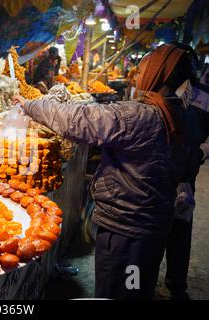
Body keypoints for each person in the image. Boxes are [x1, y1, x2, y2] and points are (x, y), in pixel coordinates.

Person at [13, 44, 192, 299]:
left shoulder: (142, 116)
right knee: (137, 286)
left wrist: (31, 106)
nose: (136, 75)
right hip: (153, 223)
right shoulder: (178, 113)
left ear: (157, 74)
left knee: (120, 290)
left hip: (128, 230)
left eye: (141, 70)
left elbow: (78, 121)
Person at [163, 42, 209, 300]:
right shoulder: (160, 91)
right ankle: (140, 284)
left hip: (185, 178)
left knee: (180, 232)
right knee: (152, 234)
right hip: (155, 176)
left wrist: (203, 151)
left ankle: (176, 286)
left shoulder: (204, 96)